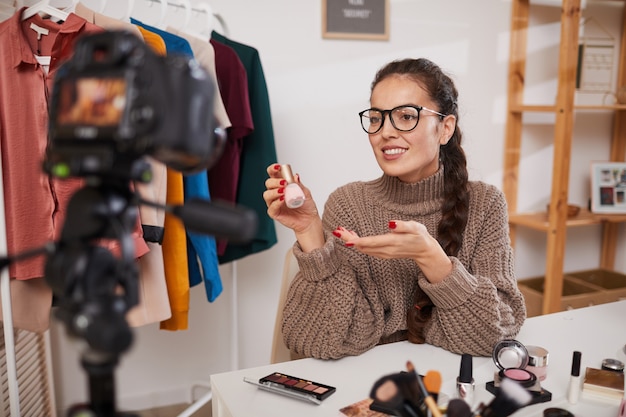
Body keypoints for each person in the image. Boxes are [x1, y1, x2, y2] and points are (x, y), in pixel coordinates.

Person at [263, 58, 526, 360]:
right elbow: (320, 340)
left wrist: (431, 258)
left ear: (445, 128)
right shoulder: (348, 204)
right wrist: (309, 231)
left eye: (405, 116)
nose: (385, 131)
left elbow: (499, 336)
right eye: (376, 118)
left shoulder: (485, 204)